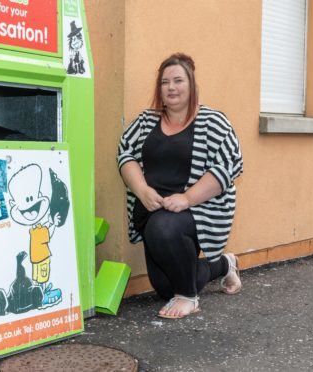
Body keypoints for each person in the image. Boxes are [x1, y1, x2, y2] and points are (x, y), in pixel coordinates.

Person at [117, 52, 244, 319]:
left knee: (163, 227)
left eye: (178, 80)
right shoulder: (146, 120)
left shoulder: (213, 121)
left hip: (196, 211)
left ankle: (189, 297)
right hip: (152, 210)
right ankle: (224, 264)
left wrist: (187, 198)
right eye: (165, 82)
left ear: (192, 84)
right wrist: (141, 190)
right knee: (164, 288)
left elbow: (230, 164)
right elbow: (125, 153)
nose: (171, 87)